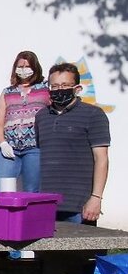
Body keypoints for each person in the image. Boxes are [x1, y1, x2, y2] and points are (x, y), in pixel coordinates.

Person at [35, 63, 110, 224]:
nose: (59, 89)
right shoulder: (41, 116)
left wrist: (96, 198)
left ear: (77, 88)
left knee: (79, 249)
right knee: (45, 250)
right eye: (54, 86)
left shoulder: (93, 115)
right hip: (46, 204)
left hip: (79, 206)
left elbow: (101, 159)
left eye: (65, 85)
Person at [0, 51, 51, 192]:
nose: (23, 70)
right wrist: (3, 143)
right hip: (10, 148)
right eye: (20, 66)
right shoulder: (7, 92)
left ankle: (29, 215)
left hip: (35, 148)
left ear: (35, 67)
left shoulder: (45, 89)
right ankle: (3, 215)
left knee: (32, 190)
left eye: (27, 66)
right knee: (2, 189)